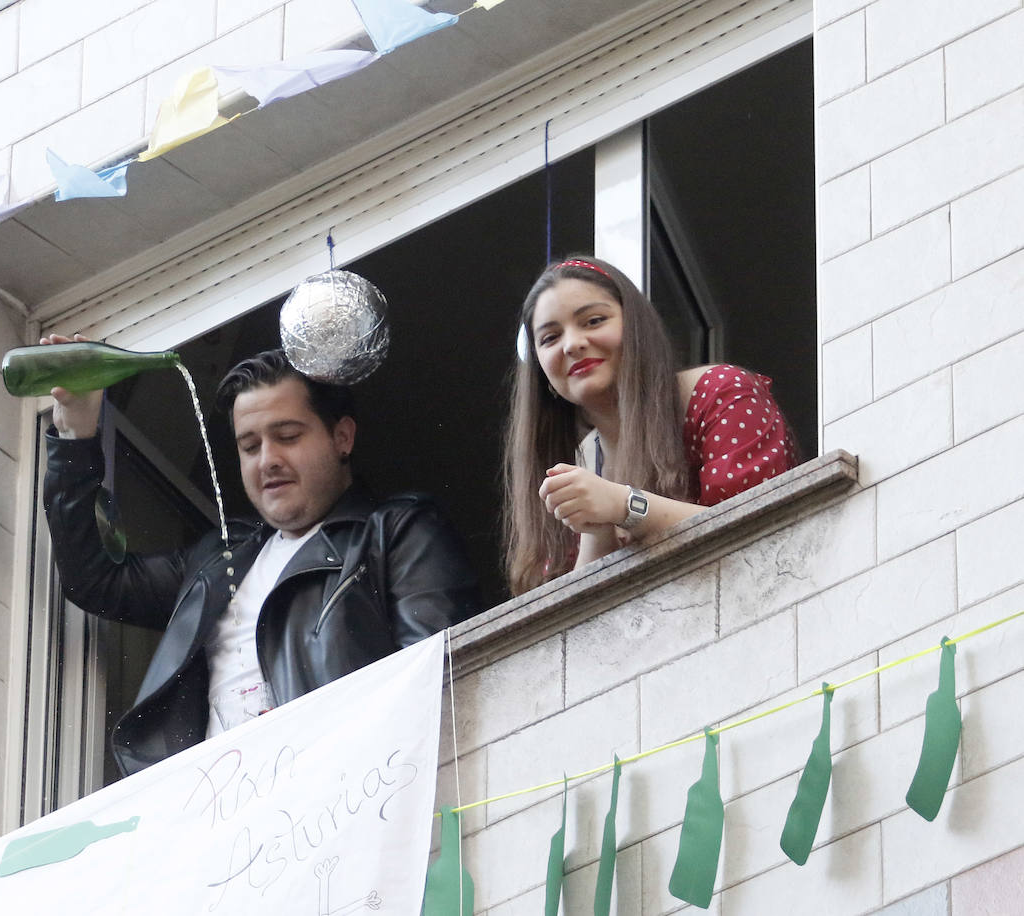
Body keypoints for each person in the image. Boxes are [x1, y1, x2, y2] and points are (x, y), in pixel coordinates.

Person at [41, 340, 481, 775]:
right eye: (250, 446)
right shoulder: (219, 557)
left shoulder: (397, 533)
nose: (268, 460)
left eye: (287, 437)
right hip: (214, 820)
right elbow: (95, 581)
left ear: (342, 436)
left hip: (344, 799)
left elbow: (437, 683)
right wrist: (76, 435)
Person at [502, 256, 797, 596]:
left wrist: (624, 506)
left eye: (594, 320)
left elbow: (759, 534)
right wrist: (597, 532)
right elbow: (575, 633)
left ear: (637, 330)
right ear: (544, 376)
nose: (572, 344)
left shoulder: (721, 393)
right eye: (550, 338)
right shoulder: (570, 470)